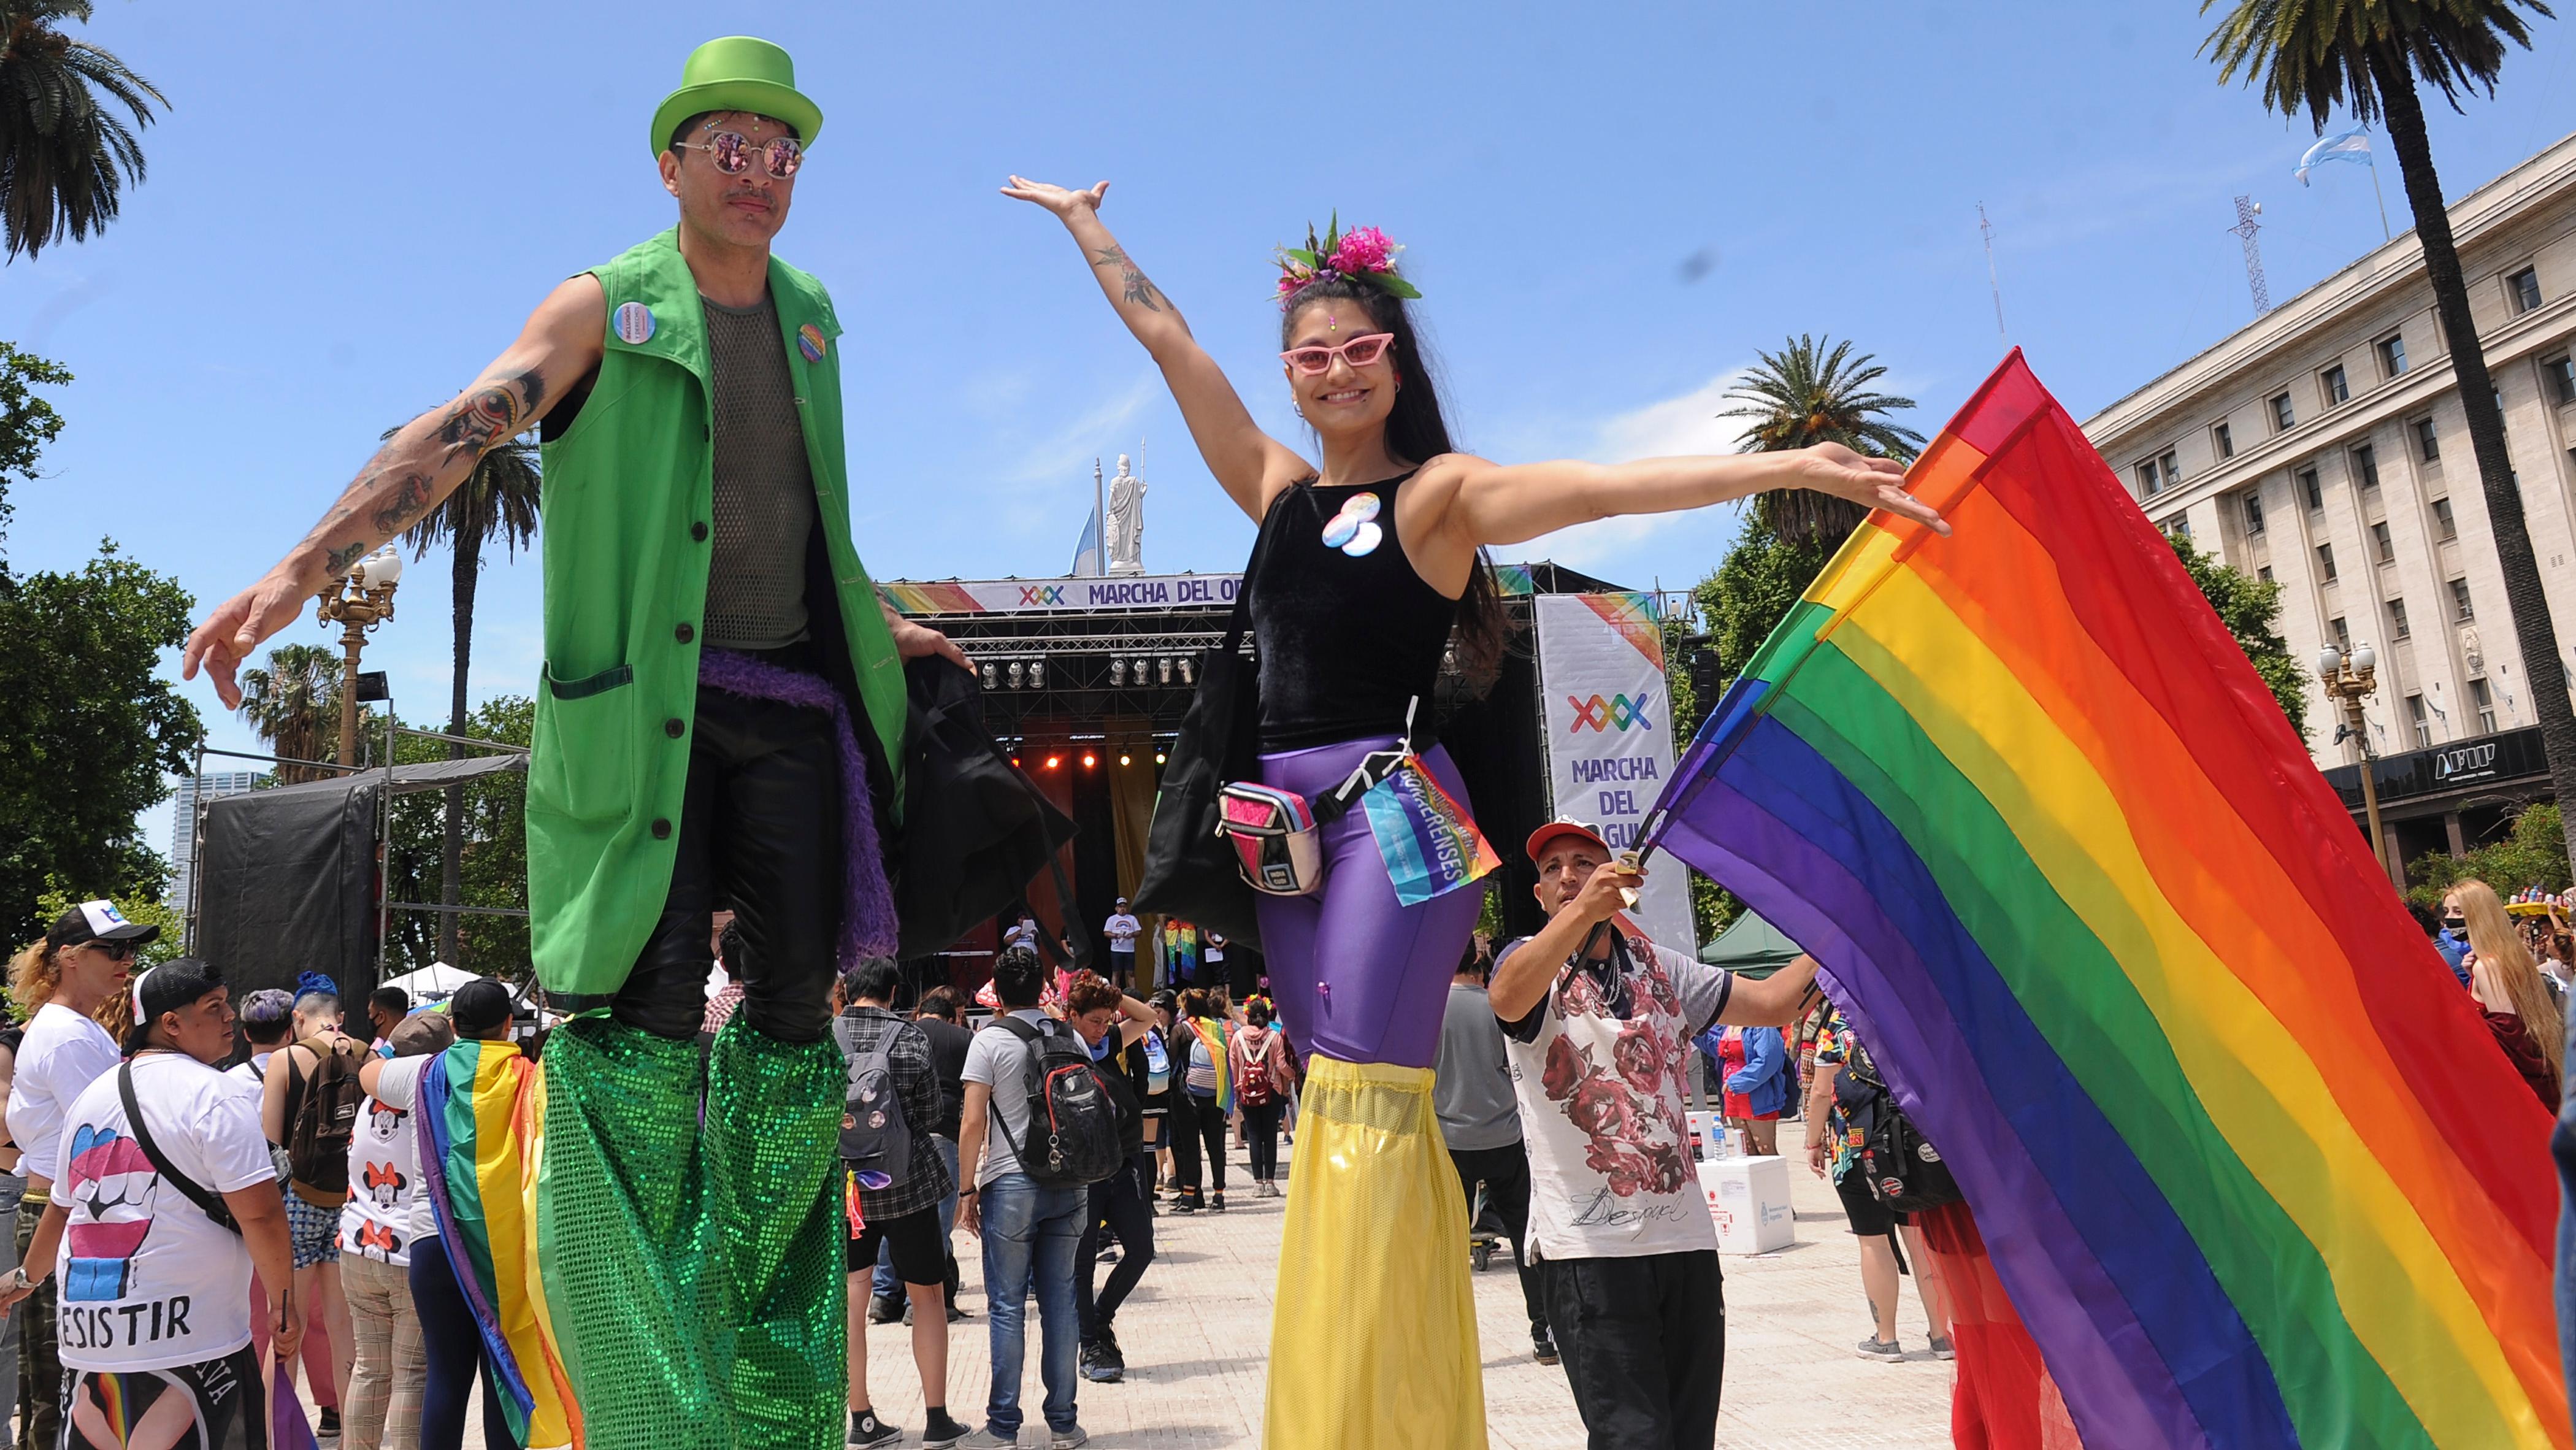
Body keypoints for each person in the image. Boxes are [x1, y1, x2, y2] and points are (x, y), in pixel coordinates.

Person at [1003, 178, 1938, 1449]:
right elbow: (1168, 337)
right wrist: (1084, 225)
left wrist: (1788, 462)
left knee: (1367, 1095)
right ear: (1291, 373)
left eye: (1361, 351)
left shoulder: (1437, 498)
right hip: (1281, 823)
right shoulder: (1275, 492)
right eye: (1311, 356)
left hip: (1401, 813)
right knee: (1337, 1085)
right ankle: (1361, 1401)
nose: (1335, 373)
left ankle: (1373, 1417)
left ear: (1396, 364)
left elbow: (1598, 489)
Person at [178, 37, 970, 1447]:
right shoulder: (607, 303)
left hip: (792, 700)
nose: (760, 171)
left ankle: (769, 1375)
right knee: (645, 1017)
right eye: (729, 145)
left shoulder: (812, 317)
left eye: (782, 150)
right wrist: (303, 566)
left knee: (794, 1021)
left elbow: (810, 516)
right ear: (669, 165)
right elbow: (470, 422)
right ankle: (644, 1375)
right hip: (645, 711)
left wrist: (880, 623)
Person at [1488, 819, 1828, 1449]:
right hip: (1591, 1252)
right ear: (1538, 896)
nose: (1567, 876)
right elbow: (1507, 1000)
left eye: (1584, 862)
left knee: (1688, 1434)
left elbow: (1777, 1003)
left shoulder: (1657, 966)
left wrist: (1837, 933)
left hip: (1685, 1242)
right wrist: (1581, 914)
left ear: (1617, 880)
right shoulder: (1529, 963)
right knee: (1633, 1438)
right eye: (1552, 869)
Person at [0, 959, 301, 1450]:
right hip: (193, 1339)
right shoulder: (215, 1095)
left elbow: (61, 1206)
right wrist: (283, 1306)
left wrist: (25, 1280)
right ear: (172, 1024)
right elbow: (261, 1213)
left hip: (92, 1341)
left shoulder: (92, 1097)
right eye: (214, 1006)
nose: (229, 1017)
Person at [358, 982, 549, 1450]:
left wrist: (392, 1038)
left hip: (432, 1241)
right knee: (503, 1374)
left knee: (446, 1373)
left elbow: (368, 1072)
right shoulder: (532, 1077)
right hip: (502, 1249)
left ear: (453, 1026)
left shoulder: (423, 1072)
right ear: (508, 1025)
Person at [5, 901, 146, 1446]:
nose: (127, 961)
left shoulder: (75, 1029)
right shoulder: (67, 1035)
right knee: (63, 1390)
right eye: (113, 950)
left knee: (63, 1385)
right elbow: (116, 1136)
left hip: (65, 1209)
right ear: (68, 957)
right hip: (64, 1214)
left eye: (130, 950)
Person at [956, 947, 1088, 1448]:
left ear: (999, 990)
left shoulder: (988, 1041)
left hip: (1011, 1183)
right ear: (1040, 988)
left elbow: (972, 1123)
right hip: (1070, 1181)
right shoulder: (1068, 1033)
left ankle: (1004, 1427)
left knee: (1008, 1306)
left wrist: (967, 1189)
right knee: (1061, 1303)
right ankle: (1063, 1424)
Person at [834, 959, 968, 1449]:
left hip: (848, 1191)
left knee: (853, 1301)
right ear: (894, 992)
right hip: (907, 1183)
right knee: (928, 1296)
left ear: (847, 991)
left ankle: (862, 1419)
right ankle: (937, 1420)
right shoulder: (912, 1039)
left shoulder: (824, 1039)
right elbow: (933, 1112)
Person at [1806, 1000, 1952, 1364]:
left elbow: (1822, 1092)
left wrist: (1812, 1142)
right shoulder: (1906, 1010)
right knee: (1921, 1244)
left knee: (1874, 1244)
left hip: (1857, 1150)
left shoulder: (1838, 1025)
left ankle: (1886, 1339)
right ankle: (1941, 1336)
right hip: (1912, 1146)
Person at [1433, 945, 1552, 1365]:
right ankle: (1545, 1335)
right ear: (1481, 968)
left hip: (1450, 1141)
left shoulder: (1428, 1012)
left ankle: (1447, 1346)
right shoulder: (1498, 1007)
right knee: (1526, 1240)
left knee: (1448, 1248)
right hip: (1506, 1136)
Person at [339, 1011, 452, 1450]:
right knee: (412, 1373)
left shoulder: (369, 1103)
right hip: (410, 1253)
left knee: (370, 1368)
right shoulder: (432, 1102)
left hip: (357, 1248)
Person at [259, 978, 361, 1417]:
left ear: (297, 1018)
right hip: (350, 1203)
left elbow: (268, 1144)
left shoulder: (285, 1060)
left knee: (286, 1327)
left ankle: (274, 1436)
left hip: (297, 1202)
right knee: (344, 1327)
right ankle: (356, 1443)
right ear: (339, 1017)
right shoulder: (368, 1055)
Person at [1062, 975, 1158, 1384]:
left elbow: (1149, 1017)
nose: (1103, 1028)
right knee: (1082, 1262)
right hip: (1083, 1170)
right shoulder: (1063, 1048)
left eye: (1107, 1020)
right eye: (1095, 1021)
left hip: (1124, 1162)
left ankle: (1102, 1319)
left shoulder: (1109, 1042)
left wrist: (1115, 998)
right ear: (1074, 1017)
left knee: (1141, 1248)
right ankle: (1090, 1343)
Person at [873, 988, 975, 1326]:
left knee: (893, 1217)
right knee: (940, 1221)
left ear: (919, 1014)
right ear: (951, 1017)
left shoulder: (897, 1034)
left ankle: (885, 1297)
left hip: (896, 1137)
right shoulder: (962, 1038)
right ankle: (925, 1300)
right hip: (943, 1132)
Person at [2454, 879, 2567, 1107]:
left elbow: (2508, 1031)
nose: (2449, 920)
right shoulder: (2509, 957)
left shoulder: (2486, 965)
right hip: (2542, 1077)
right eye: (2447, 912)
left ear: (2477, 915)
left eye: (2458, 912)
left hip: (2517, 1089)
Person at [1167, 991, 1231, 1214]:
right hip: (1215, 1095)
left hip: (1187, 1098)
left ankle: (1188, 1199)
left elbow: (1171, 1063)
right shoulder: (1216, 1029)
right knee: (1216, 1147)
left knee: (1191, 1148)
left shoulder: (1181, 1030)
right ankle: (1219, 1197)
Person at [1229, 999, 1298, 1198]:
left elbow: (1234, 1069)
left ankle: (1257, 1184)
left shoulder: (1238, 1037)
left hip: (1247, 1093)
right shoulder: (1274, 1037)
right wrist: (1293, 1074)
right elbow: (1282, 1065)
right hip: (1271, 1092)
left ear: (1248, 1015)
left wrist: (1237, 1092)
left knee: (1253, 1137)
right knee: (1270, 1138)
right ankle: (1270, 1182)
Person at [1701, 1022, 1788, 1157]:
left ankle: (1771, 1179)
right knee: (1745, 1151)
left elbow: (1769, 1059)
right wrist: (1695, 1032)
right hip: (1732, 1096)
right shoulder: (1727, 1026)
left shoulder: (1763, 1026)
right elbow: (1715, 1047)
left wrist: (1738, 1082)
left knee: (1766, 1151)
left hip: (1758, 1096)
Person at [1101, 902, 1141, 989]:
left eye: (1124, 907)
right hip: (1116, 950)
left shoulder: (1132, 919)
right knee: (1116, 973)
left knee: (1131, 973)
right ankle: (1114, 994)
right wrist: (1116, 935)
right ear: (1116, 908)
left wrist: (1132, 934)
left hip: (1129, 950)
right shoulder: (1111, 919)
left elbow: (1139, 931)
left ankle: (1133, 994)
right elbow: (1106, 933)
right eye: (1120, 907)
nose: (1122, 909)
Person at [364, 987, 410, 1051]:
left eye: (370, 1013)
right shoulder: (419, 1043)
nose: (369, 1017)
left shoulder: (390, 1051)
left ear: (381, 1017)